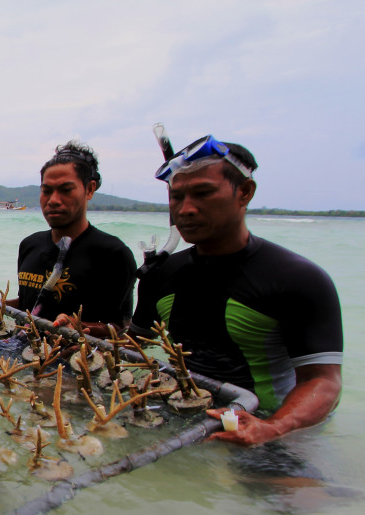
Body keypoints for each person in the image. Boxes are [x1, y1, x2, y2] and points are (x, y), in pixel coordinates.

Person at [131, 135, 343, 447]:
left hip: (267, 426)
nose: (186, 209)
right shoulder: (162, 273)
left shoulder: (296, 277)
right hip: (177, 415)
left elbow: (323, 381)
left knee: (300, 496)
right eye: (176, 197)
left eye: (203, 193)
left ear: (244, 192)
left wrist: (273, 427)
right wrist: (81, 333)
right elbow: (135, 343)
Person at [6, 141, 137, 337]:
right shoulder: (29, 245)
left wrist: (79, 326)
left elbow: (122, 327)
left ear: (90, 189)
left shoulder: (113, 254)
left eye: (65, 190)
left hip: (73, 362)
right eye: (47, 191)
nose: (53, 200)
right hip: (23, 353)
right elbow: (30, 305)